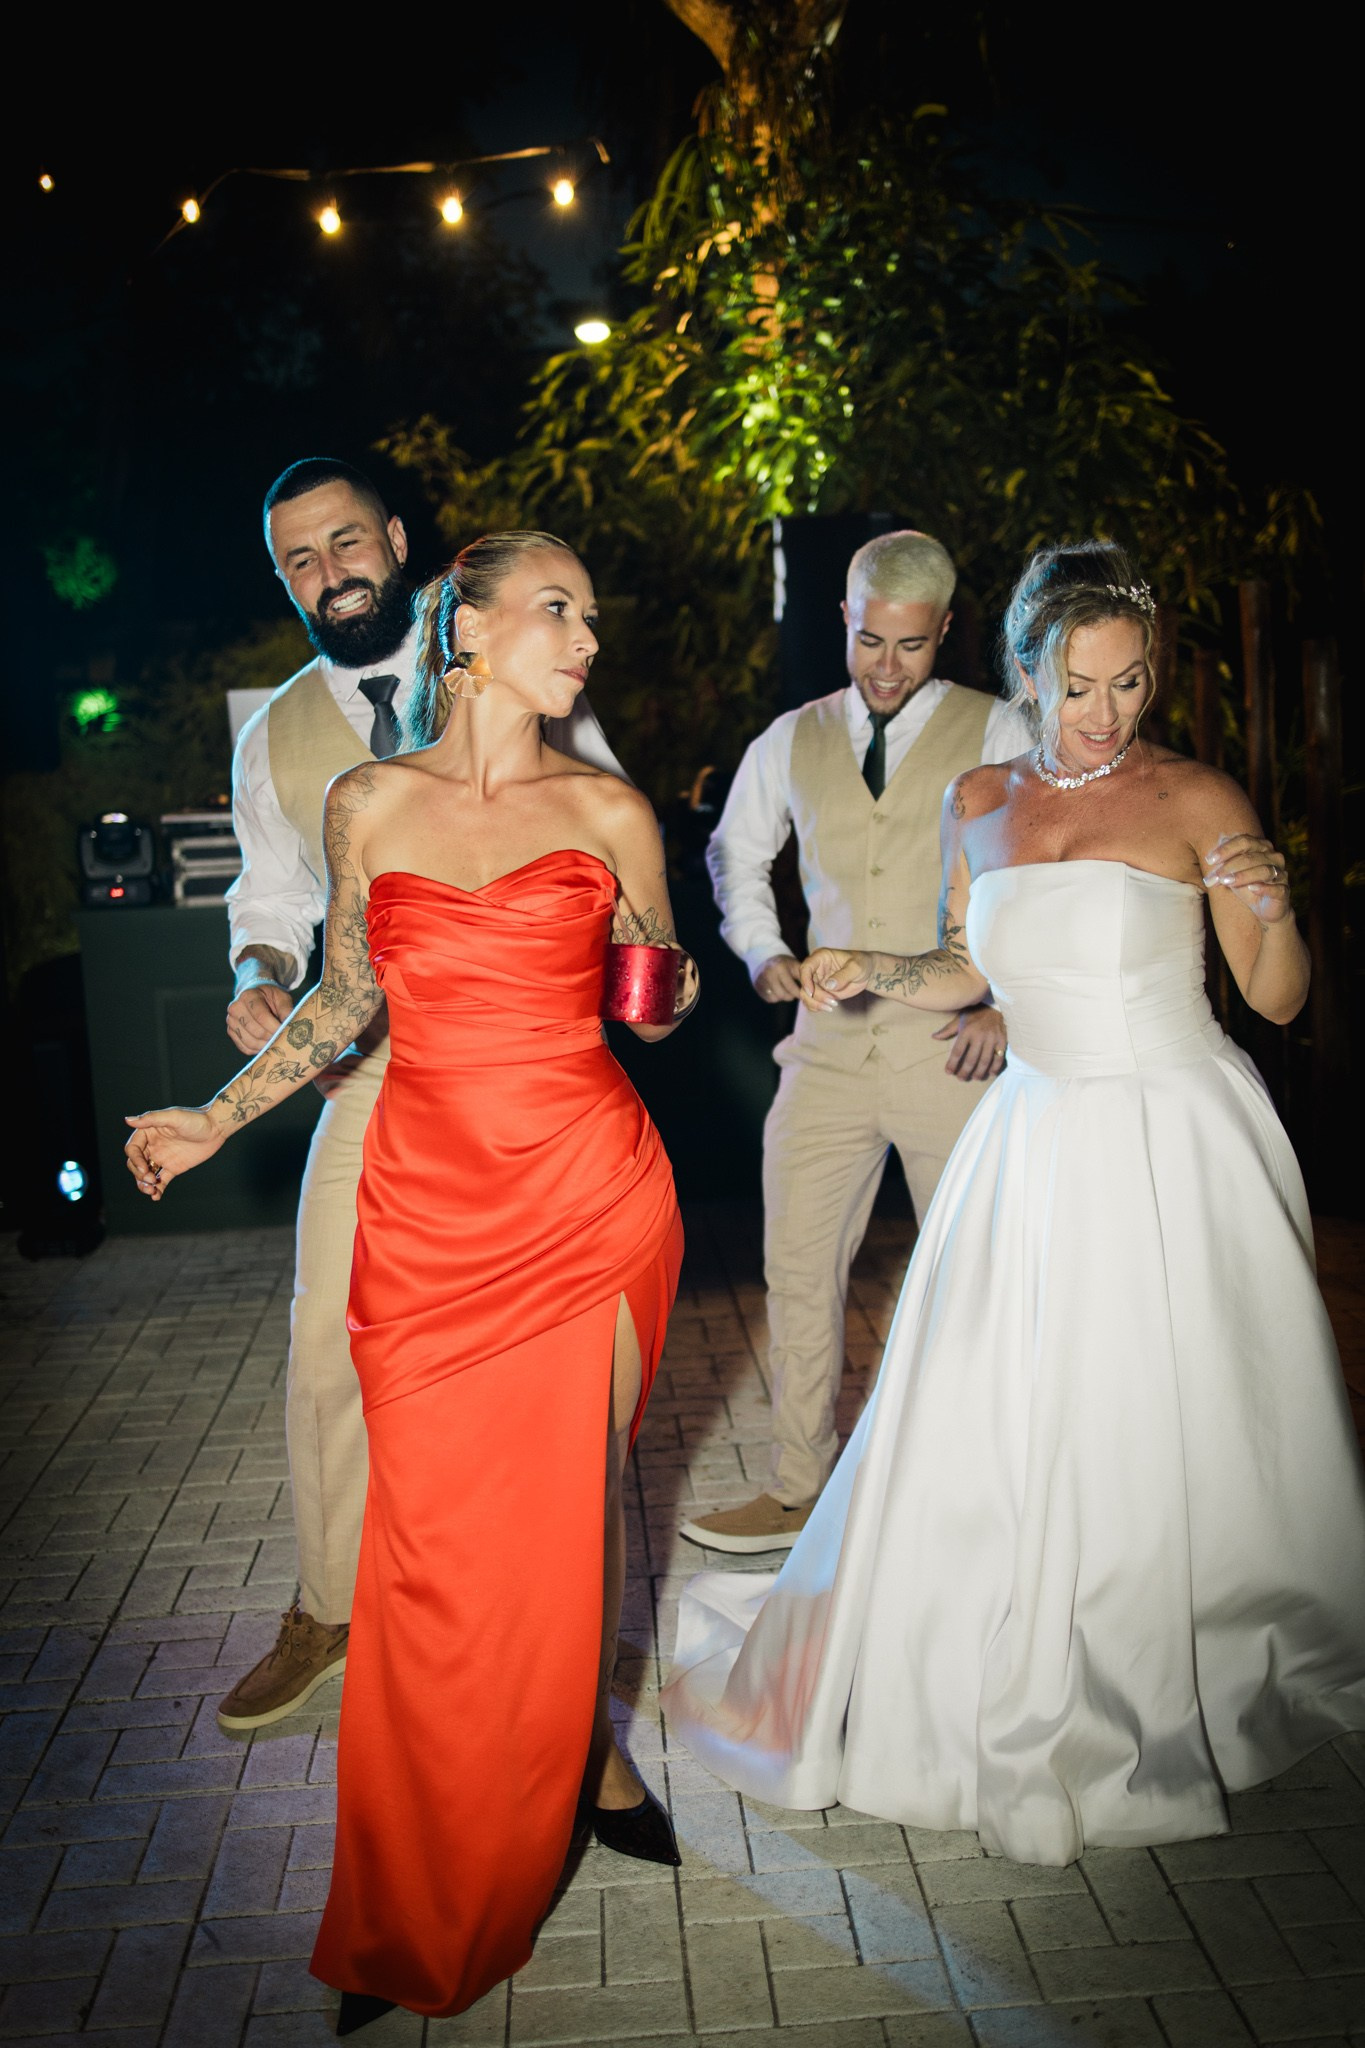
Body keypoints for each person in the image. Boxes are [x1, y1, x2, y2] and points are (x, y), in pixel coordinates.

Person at [662, 539, 1365, 1867]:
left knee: (1160, 1407)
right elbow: (962, 963)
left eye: (1130, 682)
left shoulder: (1195, 795)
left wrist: (1274, 913)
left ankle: (1179, 1641)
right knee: (1004, 1402)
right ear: (1028, 674)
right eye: (1078, 684)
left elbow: (1276, 1000)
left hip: (1172, 1133)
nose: (1105, 712)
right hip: (1031, 1138)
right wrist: (871, 965)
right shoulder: (981, 794)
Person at [125, 531, 696, 2025]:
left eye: (592, 610)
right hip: (431, 1209)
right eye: (558, 607)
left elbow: (650, 1007)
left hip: (592, 1197)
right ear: (469, 630)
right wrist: (215, 1115)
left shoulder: (614, 810)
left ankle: (578, 1757)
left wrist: (668, 981)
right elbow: (342, 1003)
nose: (587, 634)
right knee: (431, 1552)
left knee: (566, 1515)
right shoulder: (367, 801)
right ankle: (422, 1887)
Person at [219, 460, 626, 1734]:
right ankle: (328, 1606)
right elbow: (271, 896)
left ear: (396, 539)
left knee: (544, 1360)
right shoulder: (272, 733)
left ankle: (549, 1616)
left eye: (346, 541)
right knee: (325, 1336)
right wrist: (257, 971)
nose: (329, 572)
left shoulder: (525, 661)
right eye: (299, 559)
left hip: (522, 1080)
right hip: (367, 1073)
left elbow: (607, 858)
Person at [682, 529, 1034, 1554]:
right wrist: (763, 951)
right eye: (870, 639)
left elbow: (1042, 878)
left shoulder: (1000, 728)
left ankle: (992, 1499)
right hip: (825, 1053)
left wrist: (1006, 1006)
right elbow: (734, 855)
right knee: (796, 1271)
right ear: (844, 617)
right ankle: (797, 1488)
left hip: (949, 1050)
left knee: (977, 1277)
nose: (886, 665)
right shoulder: (789, 739)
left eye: (911, 645)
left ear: (946, 630)